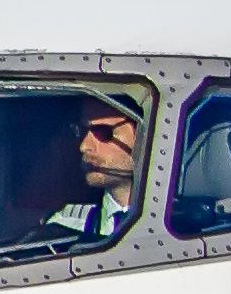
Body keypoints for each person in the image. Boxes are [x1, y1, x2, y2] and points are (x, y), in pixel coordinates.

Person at [33, 98, 147, 247]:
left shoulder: (180, 228)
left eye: (103, 132)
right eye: (81, 131)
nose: (84, 146)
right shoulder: (64, 227)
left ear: (143, 137)